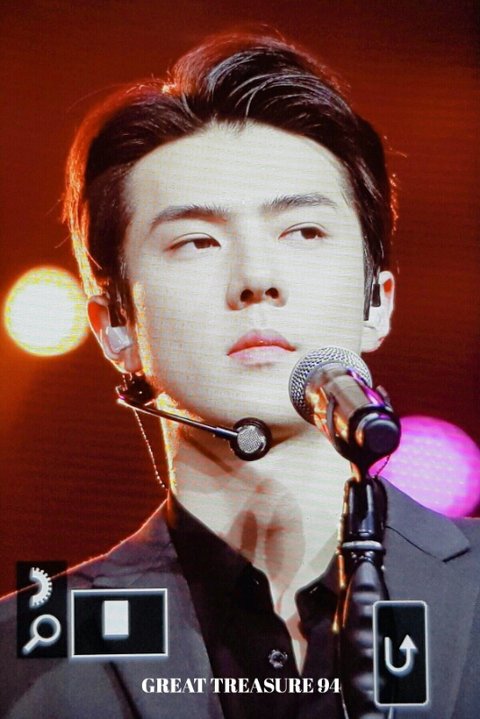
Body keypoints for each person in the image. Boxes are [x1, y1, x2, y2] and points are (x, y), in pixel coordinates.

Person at [1, 32, 479, 719]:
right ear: (114, 325)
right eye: (197, 241)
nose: (256, 277)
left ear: (378, 302)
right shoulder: (22, 653)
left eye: (304, 232)